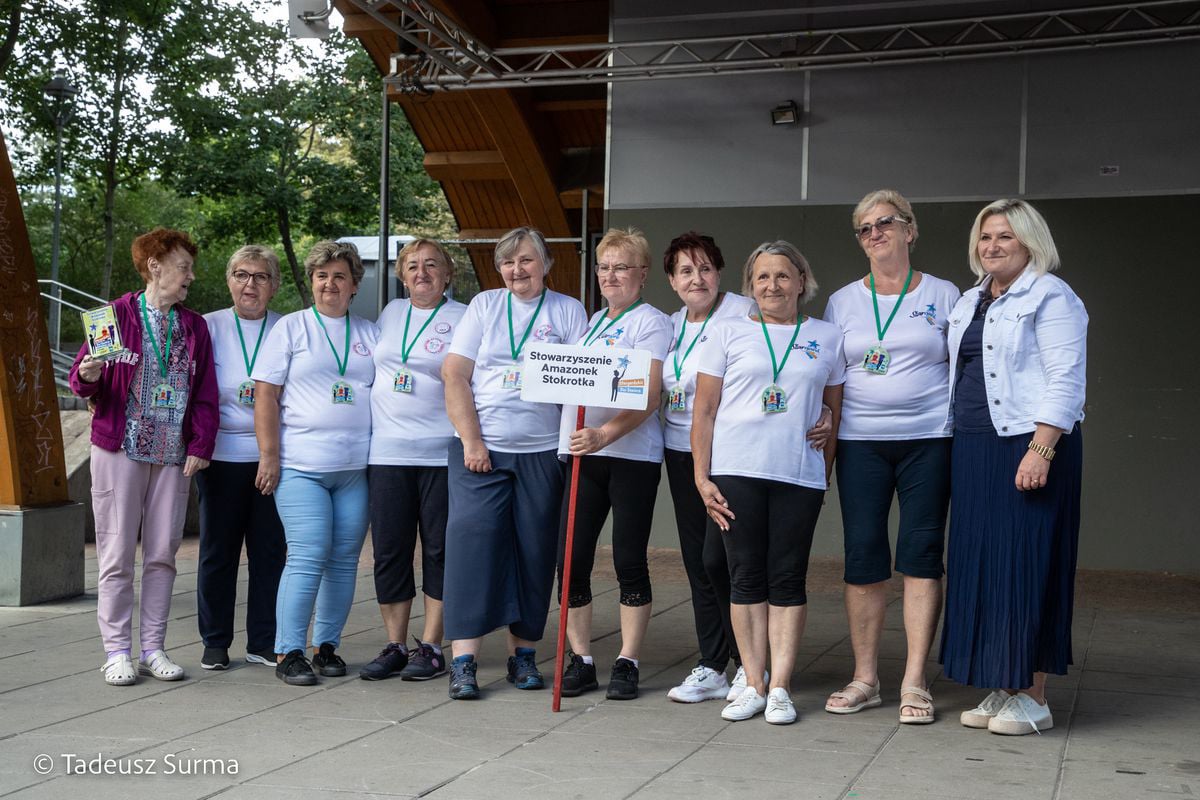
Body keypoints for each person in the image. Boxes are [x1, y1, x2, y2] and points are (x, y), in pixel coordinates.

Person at [940, 199, 1087, 736]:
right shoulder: (970, 300)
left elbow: (1066, 378)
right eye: (985, 237)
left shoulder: (1051, 295)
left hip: (1028, 444)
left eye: (1005, 236)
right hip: (975, 445)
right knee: (983, 565)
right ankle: (1004, 683)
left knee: (1028, 565)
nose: (992, 246)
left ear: (1029, 242)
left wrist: (1041, 448)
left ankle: (1034, 695)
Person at [822, 190, 961, 723]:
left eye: (885, 222)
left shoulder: (944, 294)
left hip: (929, 439)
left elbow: (963, 367)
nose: (875, 233)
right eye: (865, 228)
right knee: (863, 555)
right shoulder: (842, 301)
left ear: (910, 230)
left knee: (922, 553)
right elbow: (832, 376)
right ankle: (866, 678)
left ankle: (914, 681)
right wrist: (826, 428)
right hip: (861, 443)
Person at [691, 241, 845, 724]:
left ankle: (780, 687)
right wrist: (701, 477)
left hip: (798, 474)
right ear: (750, 285)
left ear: (801, 281)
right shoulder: (727, 332)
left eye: (782, 275)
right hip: (737, 470)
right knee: (745, 576)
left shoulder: (828, 336)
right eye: (762, 277)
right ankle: (753, 684)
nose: (772, 285)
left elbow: (834, 411)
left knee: (788, 578)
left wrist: (822, 476)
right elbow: (704, 411)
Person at [440, 227, 587, 699]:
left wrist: (572, 446)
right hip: (481, 450)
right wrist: (472, 441)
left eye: (526, 260)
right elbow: (455, 375)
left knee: (534, 551)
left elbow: (580, 382)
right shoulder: (485, 305)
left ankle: (523, 656)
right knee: (471, 544)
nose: (517, 269)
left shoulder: (567, 309)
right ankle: (463, 661)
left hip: (542, 451)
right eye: (508, 261)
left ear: (546, 264)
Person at [69, 227, 218, 686]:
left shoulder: (194, 326)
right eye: (183, 267)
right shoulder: (113, 315)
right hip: (119, 449)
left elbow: (205, 392)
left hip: (172, 454)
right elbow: (82, 380)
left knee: (162, 555)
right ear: (155, 266)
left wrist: (201, 444)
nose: (190, 276)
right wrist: (89, 375)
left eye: (190, 268)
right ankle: (117, 652)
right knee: (116, 556)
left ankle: (153, 648)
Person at [252, 240, 379, 686]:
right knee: (307, 555)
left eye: (339, 276)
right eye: (321, 276)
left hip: (354, 470)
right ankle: (288, 651)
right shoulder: (291, 328)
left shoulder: (369, 333)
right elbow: (265, 395)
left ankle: (326, 647)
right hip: (301, 467)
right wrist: (269, 456)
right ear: (312, 282)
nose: (330, 284)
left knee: (344, 560)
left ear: (354, 284)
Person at [555, 228, 672, 701]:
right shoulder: (592, 322)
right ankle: (581, 659)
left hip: (629, 457)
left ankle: (628, 660)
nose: (610, 276)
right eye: (604, 267)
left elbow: (649, 393)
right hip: (582, 455)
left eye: (621, 267)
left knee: (628, 558)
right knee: (571, 559)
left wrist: (604, 434)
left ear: (642, 274)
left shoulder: (651, 322)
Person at [360, 239, 467, 681]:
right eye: (412, 266)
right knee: (390, 551)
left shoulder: (464, 318)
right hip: (387, 452)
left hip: (442, 453)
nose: (421, 273)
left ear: (447, 273)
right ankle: (395, 644)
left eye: (431, 265)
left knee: (440, 550)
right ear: (402, 276)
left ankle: (432, 646)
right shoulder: (390, 313)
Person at [196, 245, 286, 671]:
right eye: (241, 275)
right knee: (218, 551)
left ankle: (264, 641)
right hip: (220, 455)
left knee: (270, 551)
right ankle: (215, 641)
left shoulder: (286, 327)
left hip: (273, 456)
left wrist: (275, 454)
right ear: (229, 280)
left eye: (261, 276)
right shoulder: (207, 325)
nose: (250, 284)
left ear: (274, 285)